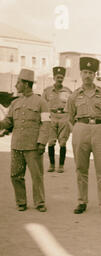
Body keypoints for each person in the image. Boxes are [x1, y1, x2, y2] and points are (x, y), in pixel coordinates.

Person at [66, 57, 101, 217]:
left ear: (95, 75)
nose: (88, 75)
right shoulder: (74, 95)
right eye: (85, 72)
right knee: (81, 168)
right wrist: (77, 130)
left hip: (99, 129)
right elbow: (69, 116)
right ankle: (82, 201)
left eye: (91, 72)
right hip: (81, 128)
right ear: (80, 74)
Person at [0, 68, 50, 212]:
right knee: (15, 175)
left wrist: (42, 142)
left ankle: (39, 203)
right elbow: (8, 121)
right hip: (17, 145)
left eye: (18, 83)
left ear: (26, 84)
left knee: (37, 176)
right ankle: (21, 202)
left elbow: (46, 123)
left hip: (33, 146)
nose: (16, 86)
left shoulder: (41, 102)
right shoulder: (15, 103)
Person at [42, 66, 72, 173]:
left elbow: (72, 106)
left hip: (64, 117)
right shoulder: (47, 91)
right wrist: (44, 122)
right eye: (58, 77)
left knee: (63, 142)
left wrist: (70, 120)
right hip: (52, 118)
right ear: (54, 78)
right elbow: (42, 107)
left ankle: (61, 166)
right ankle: (51, 165)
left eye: (62, 77)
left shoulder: (68, 91)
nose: (60, 79)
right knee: (51, 142)